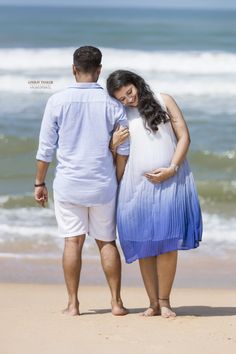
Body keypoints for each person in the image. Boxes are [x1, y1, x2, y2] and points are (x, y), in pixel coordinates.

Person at [34, 46, 129, 316]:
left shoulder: (57, 101)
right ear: (99, 71)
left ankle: (73, 304)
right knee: (107, 242)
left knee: (72, 242)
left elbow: (45, 149)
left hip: (69, 184)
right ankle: (116, 302)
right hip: (103, 184)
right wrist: (117, 181)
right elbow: (123, 150)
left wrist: (39, 183)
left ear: (74, 69)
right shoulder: (114, 104)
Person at [107, 70, 202, 317]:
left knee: (169, 244)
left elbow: (184, 138)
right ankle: (153, 303)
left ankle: (165, 300)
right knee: (144, 244)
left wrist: (172, 168)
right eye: (122, 98)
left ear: (136, 83)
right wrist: (112, 144)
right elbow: (112, 154)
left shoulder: (164, 99)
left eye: (129, 92)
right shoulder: (120, 114)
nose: (129, 100)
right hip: (135, 188)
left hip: (171, 181)